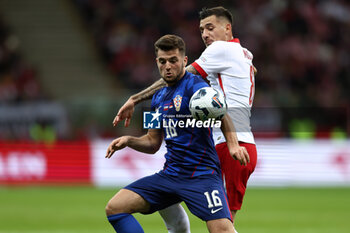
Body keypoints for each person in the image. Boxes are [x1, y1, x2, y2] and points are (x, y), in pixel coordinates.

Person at [113, 7, 257, 233]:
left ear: (184, 60)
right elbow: (152, 142)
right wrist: (129, 140)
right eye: (162, 61)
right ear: (156, 62)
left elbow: (220, 112)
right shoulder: (158, 99)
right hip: (171, 173)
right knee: (116, 207)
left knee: (223, 228)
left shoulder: (194, 83)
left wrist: (134, 98)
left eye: (173, 60)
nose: (168, 66)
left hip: (213, 161)